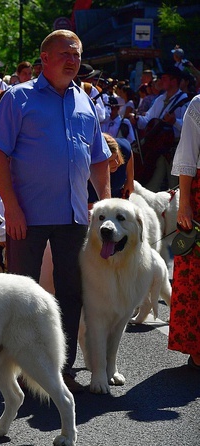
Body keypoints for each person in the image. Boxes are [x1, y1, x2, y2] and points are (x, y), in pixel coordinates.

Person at [0, 29, 111, 392]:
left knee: (72, 293)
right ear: (45, 58)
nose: (73, 60)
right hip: (29, 216)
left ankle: (62, 366)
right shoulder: (18, 98)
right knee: (21, 293)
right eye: (65, 54)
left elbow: (100, 158)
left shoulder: (84, 100)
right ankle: (14, 366)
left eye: (77, 54)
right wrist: (12, 208)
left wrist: (102, 204)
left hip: (75, 217)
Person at [169, 94, 200, 370]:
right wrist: (185, 204)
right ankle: (197, 346)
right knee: (196, 272)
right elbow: (188, 158)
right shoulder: (199, 104)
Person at [127, 65, 189, 191]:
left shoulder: (186, 101)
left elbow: (189, 127)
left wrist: (174, 122)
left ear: (174, 80)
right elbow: (148, 119)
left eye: (164, 78)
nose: (161, 81)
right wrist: (137, 119)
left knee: (175, 186)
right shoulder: (160, 99)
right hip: (157, 149)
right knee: (152, 187)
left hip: (175, 150)